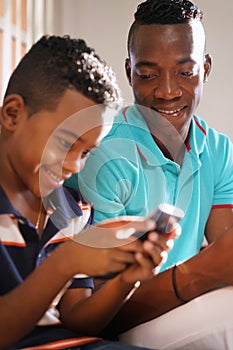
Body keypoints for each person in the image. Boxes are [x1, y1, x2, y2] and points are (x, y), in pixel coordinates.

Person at [68, 0, 233, 349]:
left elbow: (224, 258)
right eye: (148, 74)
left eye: (185, 72)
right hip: (131, 319)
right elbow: (104, 313)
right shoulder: (104, 156)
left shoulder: (218, 150)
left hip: (188, 305)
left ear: (205, 68)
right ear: (129, 72)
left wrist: (207, 270)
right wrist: (194, 275)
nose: (168, 91)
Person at [0, 34, 175, 350]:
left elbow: (77, 319)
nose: (74, 166)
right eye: (65, 143)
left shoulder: (72, 211)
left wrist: (126, 279)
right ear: (13, 114)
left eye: (85, 153)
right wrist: (64, 263)